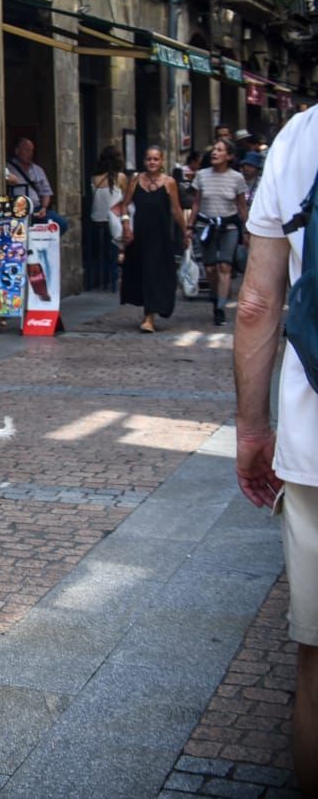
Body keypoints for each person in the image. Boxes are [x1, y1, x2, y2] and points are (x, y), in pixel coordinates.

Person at [233, 111, 317, 797]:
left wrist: (253, 429)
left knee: (315, 668)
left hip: (313, 444)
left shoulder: (301, 137)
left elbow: (258, 302)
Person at [119, 145, 188, 333]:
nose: (152, 162)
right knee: (143, 274)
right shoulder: (135, 180)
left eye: (156, 159)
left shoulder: (169, 182)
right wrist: (126, 224)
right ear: (144, 161)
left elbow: (176, 210)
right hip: (139, 236)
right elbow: (124, 206)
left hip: (160, 236)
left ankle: (149, 317)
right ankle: (147, 314)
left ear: (162, 161)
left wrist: (185, 231)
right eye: (149, 159)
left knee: (155, 274)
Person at [192, 138, 250, 325]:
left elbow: (241, 206)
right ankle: (215, 296)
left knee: (225, 266)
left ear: (229, 156)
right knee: (210, 268)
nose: (215, 153)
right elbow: (196, 203)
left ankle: (220, 308)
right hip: (206, 226)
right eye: (214, 149)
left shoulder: (237, 178)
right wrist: (188, 226)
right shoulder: (201, 175)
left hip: (229, 226)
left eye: (219, 150)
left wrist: (247, 230)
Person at [5, 136, 70, 234]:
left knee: (61, 223)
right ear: (17, 151)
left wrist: (44, 208)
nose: (30, 154)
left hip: (36, 209)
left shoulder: (37, 170)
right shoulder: (7, 167)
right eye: (27, 150)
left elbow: (46, 192)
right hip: (15, 210)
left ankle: (43, 247)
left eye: (32, 151)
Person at [87, 145, 128, 291]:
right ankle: (114, 276)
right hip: (114, 221)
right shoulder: (120, 177)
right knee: (115, 249)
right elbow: (126, 198)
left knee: (100, 252)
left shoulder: (94, 177)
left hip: (97, 219)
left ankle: (101, 279)